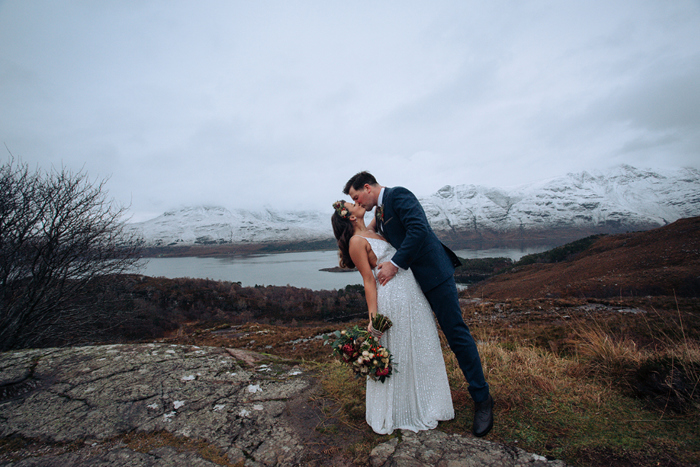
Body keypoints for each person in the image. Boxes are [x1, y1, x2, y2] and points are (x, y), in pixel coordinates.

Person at [344, 171, 494, 437]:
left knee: (456, 334)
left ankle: (482, 400)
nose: (359, 203)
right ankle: (417, 398)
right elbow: (366, 242)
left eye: (357, 197)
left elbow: (418, 230)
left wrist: (394, 265)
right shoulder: (379, 214)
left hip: (434, 276)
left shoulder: (399, 195)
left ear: (367, 187)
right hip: (410, 289)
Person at [332, 200, 454, 434]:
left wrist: (380, 199)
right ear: (349, 216)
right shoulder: (357, 242)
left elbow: (381, 207)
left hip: (411, 291)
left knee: (421, 344)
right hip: (392, 297)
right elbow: (368, 281)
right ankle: (399, 410)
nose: (357, 202)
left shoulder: (370, 229)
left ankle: (428, 404)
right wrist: (372, 318)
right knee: (400, 348)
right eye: (352, 203)